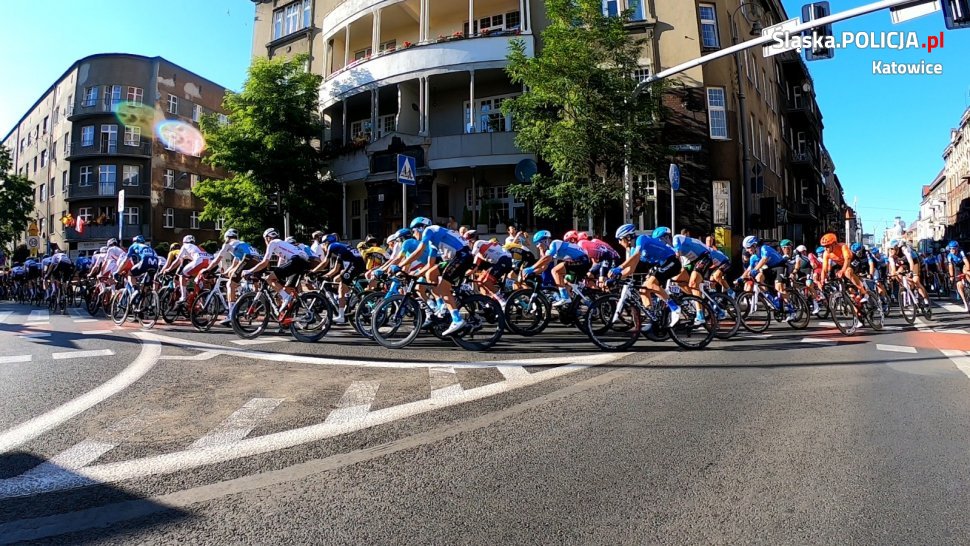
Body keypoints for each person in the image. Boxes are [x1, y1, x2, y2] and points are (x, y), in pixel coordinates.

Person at [394, 217, 474, 336]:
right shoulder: (433, 242)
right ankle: (442, 307)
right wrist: (413, 275)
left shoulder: (429, 230)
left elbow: (419, 251)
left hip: (462, 256)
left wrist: (400, 266)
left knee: (442, 288)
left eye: (413, 231)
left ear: (420, 228)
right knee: (430, 274)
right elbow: (430, 264)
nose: (413, 235)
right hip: (457, 257)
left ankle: (457, 319)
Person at [610, 224, 681, 328]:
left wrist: (619, 268)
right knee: (643, 290)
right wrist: (615, 278)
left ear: (628, 237)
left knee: (650, 284)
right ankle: (653, 321)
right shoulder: (633, 249)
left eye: (620, 239)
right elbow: (631, 269)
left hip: (671, 261)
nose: (619, 242)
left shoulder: (641, 239)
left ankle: (675, 308)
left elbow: (636, 255)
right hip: (660, 265)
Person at [243, 228, 311, 323]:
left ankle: (286, 298)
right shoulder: (281, 244)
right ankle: (287, 319)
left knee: (269, 279)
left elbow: (265, 262)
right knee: (287, 289)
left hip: (297, 261)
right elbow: (280, 266)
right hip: (302, 262)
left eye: (265, 239)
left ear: (268, 237)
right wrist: (274, 274)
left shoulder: (273, 243)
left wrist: (249, 271)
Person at [523, 230, 591, 308]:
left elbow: (547, 258)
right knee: (565, 284)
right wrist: (532, 273)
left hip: (582, 260)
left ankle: (565, 298)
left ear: (545, 241)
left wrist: (531, 268)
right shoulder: (550, 250)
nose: (537, 246)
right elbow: (544, 265)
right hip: (579, 262)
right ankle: (571, 308)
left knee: (555, 271)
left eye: (538, 243)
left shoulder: (555, 243)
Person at [313, 234, 365, 324]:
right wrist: (325, 276)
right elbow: (336, 269)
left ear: (326, 243)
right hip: (356, 263)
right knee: (337, 279)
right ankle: (347, 300)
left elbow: (325, 262)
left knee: (341, 286)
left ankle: (341, 316)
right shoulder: (340, 248)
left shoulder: (332, 246)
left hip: (356, 264)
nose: (323, 248)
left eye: (323, 245)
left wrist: (313, 271)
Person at [743, 235, 796, 322]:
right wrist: (740, 278)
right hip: (770, 269)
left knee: (779, 287)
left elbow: (764, 259)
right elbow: (749, 269)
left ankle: (791, 310)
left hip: (780, 266)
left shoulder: (764, 248)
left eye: (748, 247)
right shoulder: (753, 256)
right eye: (746, 248)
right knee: (759, 278)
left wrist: (755, 270)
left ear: (754, 245)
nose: (747, 250)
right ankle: (773, 299)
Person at [947, 240, 970, 312]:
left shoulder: (961, 252)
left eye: (953, 248)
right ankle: (965, 303)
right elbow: (950, 267)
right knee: (958, 285)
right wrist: (951, 276)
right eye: (950, 248)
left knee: (966, 272)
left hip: (963, 264)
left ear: (957, 248)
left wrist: (968, 271)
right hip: (957, 267)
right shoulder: (949, 256)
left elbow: (966, 262)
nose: (951, 250)